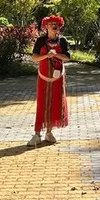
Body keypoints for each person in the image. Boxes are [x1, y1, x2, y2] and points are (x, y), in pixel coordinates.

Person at [28, 15, 70, 147]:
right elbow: (34, 57)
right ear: (46, 26)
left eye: (56, 24)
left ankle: (49, 132)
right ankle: (37, 133)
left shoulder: (63, 41)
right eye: (51, 23)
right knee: (42, 103)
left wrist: (56, 54)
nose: (54, 26)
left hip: (57, 78)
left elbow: (67, 57)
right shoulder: (40, 41)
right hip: (44, 78)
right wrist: (46, 55)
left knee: (55, 103)